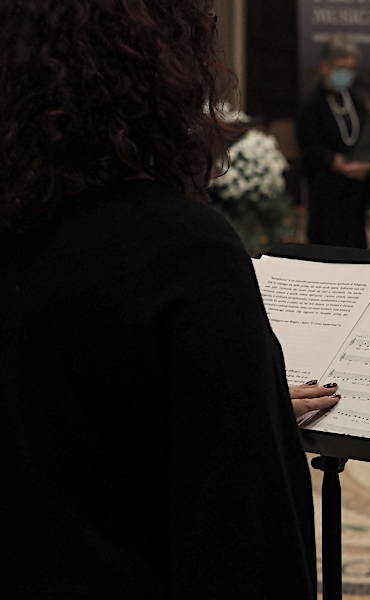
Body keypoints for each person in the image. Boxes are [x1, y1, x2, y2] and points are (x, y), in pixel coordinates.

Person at [0, 1, 338, 598]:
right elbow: (244, 544)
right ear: (157, 67)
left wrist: (218, 404)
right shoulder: (176, 251)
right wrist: (241, 424)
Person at [296, 35, 370, 248]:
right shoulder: (312, 104)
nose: (346, 75)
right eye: (341, 68)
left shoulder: (356, 101)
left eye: (351, 69)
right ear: (325, 67)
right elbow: (309, 150)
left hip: (356, 193)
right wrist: (339, 163)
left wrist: (368, 162)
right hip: (327, 194)